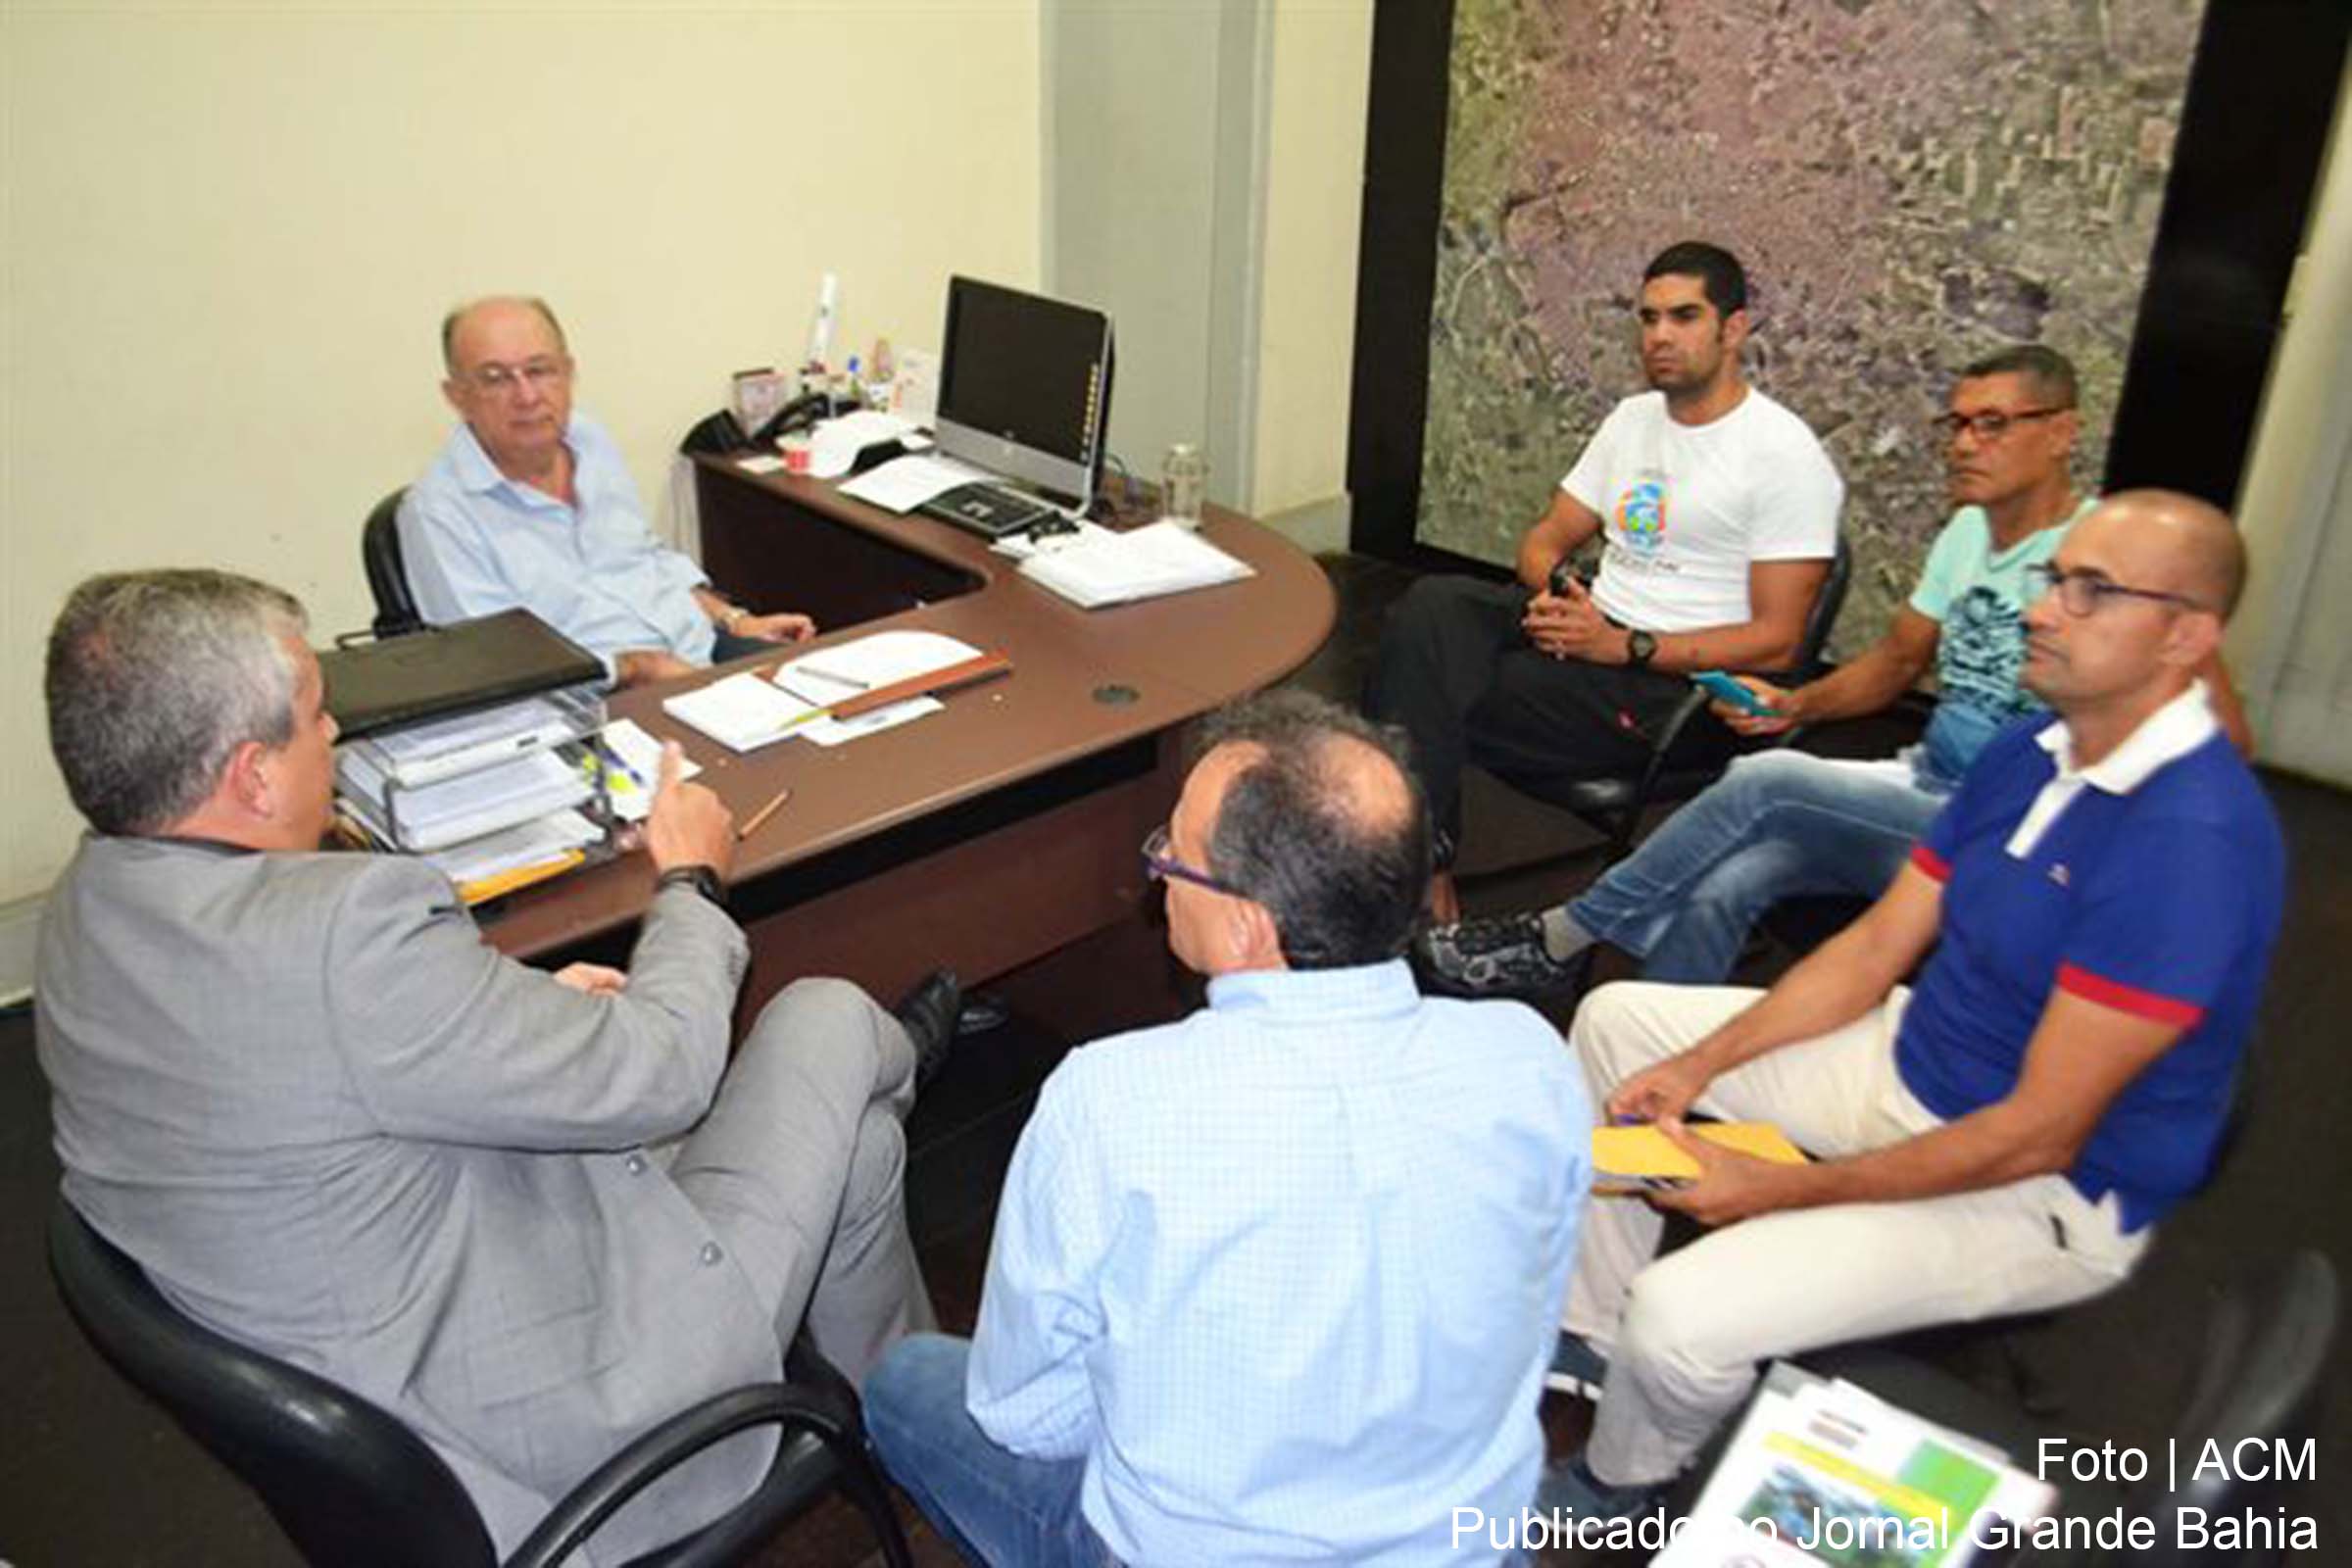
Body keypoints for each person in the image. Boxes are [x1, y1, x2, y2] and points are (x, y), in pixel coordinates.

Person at [35, 568, 958, 1562]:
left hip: (401, 1365)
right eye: (315, 716)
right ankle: (905, 1057)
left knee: (857, 1151)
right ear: (252, 776)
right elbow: (668, 1072)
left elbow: (316, 1071)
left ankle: (929, 1436)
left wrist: (514, 1014)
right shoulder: (338, 934)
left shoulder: (86, 912)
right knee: (828, 1018)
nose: (336, 735)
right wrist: (689, 879)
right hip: (578, 1435)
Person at [1534, 491, 2284, 1519]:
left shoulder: (2192, 845)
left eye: (2089, 590)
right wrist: (1699, 1068)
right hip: (1914, 1058)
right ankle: (1594, 1328)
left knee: (1685, 1312)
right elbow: (1878, 947)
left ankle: (1623, 1479)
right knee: (1622, 1025)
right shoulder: (2036, 751)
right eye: (2051, 579)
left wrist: (1775, 1186)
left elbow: (2034, 1135)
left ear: (2186, 636)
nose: (2042, 610)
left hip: (2045, 1193)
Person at [861, 691, 1591, 1566]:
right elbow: (1532, 1311)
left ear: (1248, 925)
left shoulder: (1111, 1099)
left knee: (903, 1383)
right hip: (1468, 1540)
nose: (1159, 865)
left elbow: (1020, 1413)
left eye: (1174, 848)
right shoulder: (1531, 1058)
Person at [1419, 346, 2252, 996]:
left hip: (2014, 817)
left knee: (1768, 784)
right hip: (1926, 781)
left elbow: (2221, 737)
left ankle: (1559, 937)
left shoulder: (2115, 554)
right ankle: (1652, 1078)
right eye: (1956, 425)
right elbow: (1894, 663)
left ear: (2063, 431)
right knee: (1729, 879)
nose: (1966, 444)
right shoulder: (1966, 535)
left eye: (1993, 424)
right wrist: (1797, 702)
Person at [1367, 241, 1844, 922]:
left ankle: (1415, 868)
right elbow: (1543, 540)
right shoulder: (1633, 421)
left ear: (1733, 328)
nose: (1660, 336)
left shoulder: (1783, 455)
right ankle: (1428, 859)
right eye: (1648, 319)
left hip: (1670, 685)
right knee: (1431, 607)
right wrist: (1564, 594)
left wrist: (1624, 645)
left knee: (1430, 689)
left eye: (1683, 317)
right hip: (1595, 630)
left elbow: (1777, 642)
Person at [399, 296, 815, 686]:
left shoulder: (588, 439)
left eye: (540, 370)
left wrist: (733, 620)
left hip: (694, 654)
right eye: (496, 379)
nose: (526, 396)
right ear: (457, 397)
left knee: (831, 708)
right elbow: (498, 665)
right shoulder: (437, 513)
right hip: (586, 702)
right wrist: (634, 667)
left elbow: (645, 557)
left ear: (569, 372)